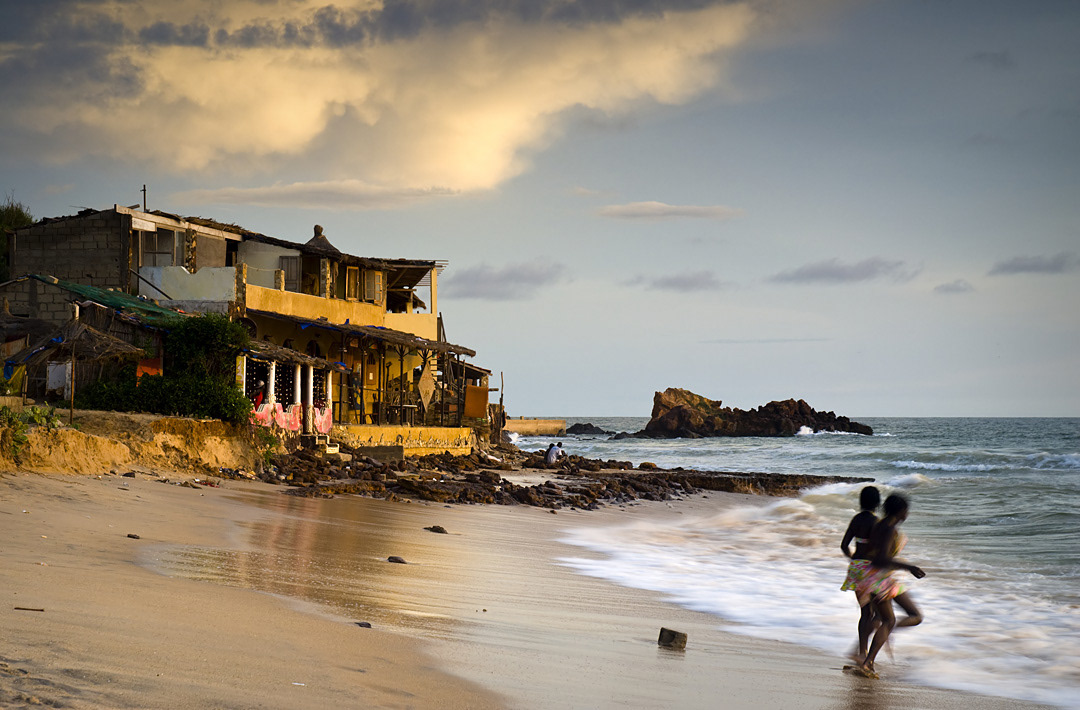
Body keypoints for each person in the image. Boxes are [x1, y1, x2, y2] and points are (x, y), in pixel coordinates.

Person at [855, 494, 926, 678]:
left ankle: (876, 646)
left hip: (872, 577)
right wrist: (909, 567)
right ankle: (868, 663)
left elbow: (871, 553)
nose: (907, 513)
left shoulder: (880, 525)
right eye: (906, 510)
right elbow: (881, 559)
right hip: (879, 579)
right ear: (901, 511)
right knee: (891, 620)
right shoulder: (888, 529)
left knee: (912, 616)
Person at [840, 486, 881, 663]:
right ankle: (861, 651)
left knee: (865, 612)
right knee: (878, 614)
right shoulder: (877, 522)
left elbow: (844, 545)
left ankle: (860, 650)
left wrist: (854, 560)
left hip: (856, 567)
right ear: (878, 503)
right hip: (871, 569)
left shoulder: (856, 519)